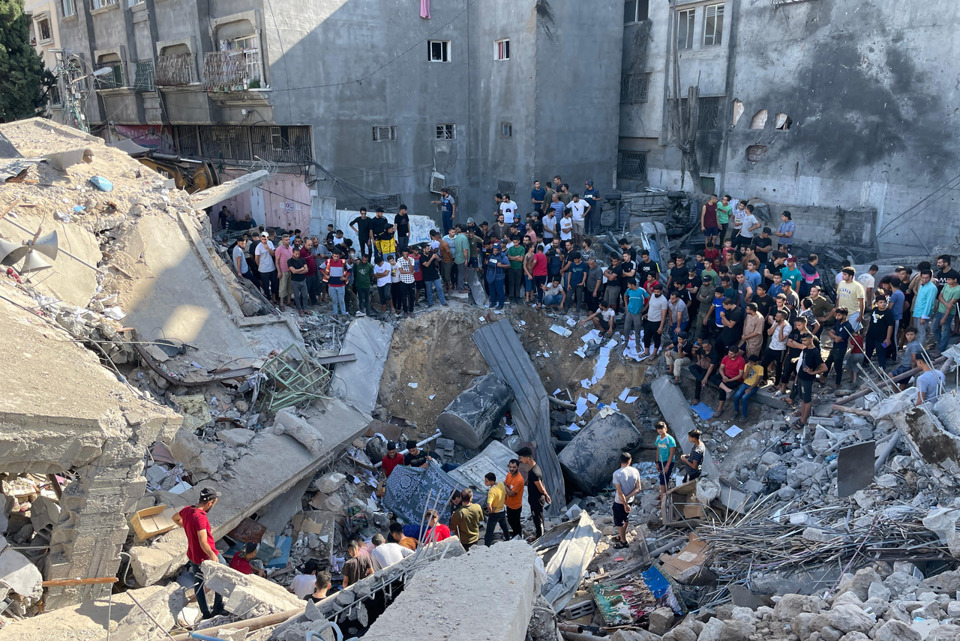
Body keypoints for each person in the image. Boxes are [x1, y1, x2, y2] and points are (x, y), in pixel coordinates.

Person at [172, 488, 223, 619]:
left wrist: (187, 527)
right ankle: (218, 608)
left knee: (198, 583)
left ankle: (205, 613)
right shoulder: (201, 518)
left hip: (193, 555)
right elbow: (203, 541)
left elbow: (175, 518)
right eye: (215, 502)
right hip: (205, 556)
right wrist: (212, 555)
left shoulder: (187, 510)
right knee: (221, 577)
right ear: (210, 503)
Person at [791, 332, 827, 428]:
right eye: (802, 340)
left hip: (807, 379)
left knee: (807, 400)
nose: (803, 342)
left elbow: (824, 368)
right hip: (801, 377)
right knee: (803, 399)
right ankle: (802, 417)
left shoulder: (815, 352)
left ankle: (803, 420)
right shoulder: (806, 350)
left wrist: (812, 373)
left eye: (805, 340)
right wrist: (797, 376)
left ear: (811, 340)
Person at [517, 446, 551, 539]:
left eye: (522, 458)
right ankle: (539, 535)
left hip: (536, 499)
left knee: (538, 518)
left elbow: (540, 487)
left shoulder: (534, 472)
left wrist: (546, 495)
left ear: (527, 458)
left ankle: (541, 537)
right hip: (535, 498)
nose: (521, 460)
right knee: (538, 517)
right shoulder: (536, 467)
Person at [612, 452, 641, 549]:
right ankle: (622, 536)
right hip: (630, 500)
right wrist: (628, 498)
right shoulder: (635, 471)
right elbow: (638, 488)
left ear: (620, 460)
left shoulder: (617, 474)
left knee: (619, 521)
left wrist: (624, 503)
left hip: (620, 501)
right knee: (626, 518)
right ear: (630, 460)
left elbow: (620, 492)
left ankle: (623, 541)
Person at [824, 308, 855, 389]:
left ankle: (837, 384)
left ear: (844, 316)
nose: (837, 317)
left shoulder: (847, 326)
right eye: (836, 315)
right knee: (828, 362)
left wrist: (834, 337)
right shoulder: (838, 322)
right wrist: (835, 337)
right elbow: (830, 332)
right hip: (834, 347)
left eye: (839, 315)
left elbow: (838, 339)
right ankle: (823, 378)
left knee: (838, 366)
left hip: (841, 349)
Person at [933, 270, 960, 354]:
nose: (947, 281)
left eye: (949, 279)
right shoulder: (947, 286)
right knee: (934, 328)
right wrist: (946, 304)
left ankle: (941, 349)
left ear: (955, 280)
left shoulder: (958, 290)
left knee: (945, 330)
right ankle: (941, 344)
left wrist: (945, 317)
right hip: (940, 310)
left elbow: (951, 305)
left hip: (948, 313)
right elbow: (940, 296)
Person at [716, 345, 746, 415]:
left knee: (721, 389)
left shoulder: (741, 361)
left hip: (735, 379)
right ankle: (727, 390)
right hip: (725, 376)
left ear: (736, 353)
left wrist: (729, 380)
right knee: (713, 377)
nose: (729, 355)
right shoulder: (726, 358)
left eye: (732, 354)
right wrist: (723, 376)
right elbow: (721, 368)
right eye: (729, 353)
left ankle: (719, 409)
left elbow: (740, 375)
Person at [483, 473, 510, 547]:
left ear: (492, 482)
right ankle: (508, 539)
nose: (485, 483)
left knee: (489, 531)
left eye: (487, 481)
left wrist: (490, 511)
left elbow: (489, 504)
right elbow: (505, 495)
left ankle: (486, 545)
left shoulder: (491, 491)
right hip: (502, 510)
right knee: (504, 527)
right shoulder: (501, 484)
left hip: (495, 513)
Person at [644, 284, 670, 357]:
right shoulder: (652, 295)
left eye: (658, 292)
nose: (656, 293)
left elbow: (664, 315)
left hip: (657, 322)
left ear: (661, 291)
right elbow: (651, 307)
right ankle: (646, 352)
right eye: (655, 292)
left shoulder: (663, 300)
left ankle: (654, 353)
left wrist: (661, 327)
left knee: (656, 338)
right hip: (649, 320)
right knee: (646, 336)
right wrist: (647, 314)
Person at [653, 422, 676, 505]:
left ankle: (663, 500)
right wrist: (657, 462)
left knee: (663, 479)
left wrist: (667, 466)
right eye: (658, 429)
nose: (660, 430)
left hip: (668, 461)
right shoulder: (658, 438)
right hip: (660, 460)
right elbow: (658, 450)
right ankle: (664, 494)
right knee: (663, 478)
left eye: (661, 428)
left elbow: (672, 453)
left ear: (665, 429)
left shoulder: (670, 439)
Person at [503, 459, 525, 540]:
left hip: (515, 506)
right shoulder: (509, 474)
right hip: (509, 504)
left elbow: (511, 494)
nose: (511, 469)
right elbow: (505, 484)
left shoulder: (519, 480)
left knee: (516, 523)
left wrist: (506, 487)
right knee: (510, 521)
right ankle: (515, 534)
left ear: (518, 467)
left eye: (514, 467)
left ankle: (518, 537)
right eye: (510, 467)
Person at [255, 231, 279, 303]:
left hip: (271, 268)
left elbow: (273, 254)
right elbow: (256, 258)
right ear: (260, 238)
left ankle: (274, 298)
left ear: (268, 238)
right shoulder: (258, 247)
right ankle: (269, 299)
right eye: (262, 238)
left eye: (265, 238)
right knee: (266, 285)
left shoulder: (270, 243)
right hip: (263, 270)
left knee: (274, 283)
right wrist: (260, 266)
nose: (264, 240)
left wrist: (268, 248)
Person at [485, 242, 509, 310]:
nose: (495, 252)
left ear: (499, 250)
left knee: (499, 290)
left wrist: (501, 265)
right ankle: (493, 302)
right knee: (491, 289)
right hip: (491, 276)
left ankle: (501, 304)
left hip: (499, 276)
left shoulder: (503, 257)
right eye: (494, 250)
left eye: (496, 250)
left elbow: (508, 265)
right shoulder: (491, 256)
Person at [287, 248, 310, 316]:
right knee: (296, 296)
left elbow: (306, 270)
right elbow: (293, 271)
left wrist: (298, 271)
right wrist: (301, 269)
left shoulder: (302, 259)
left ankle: (305, 308)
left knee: (305, 295)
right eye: (296, 254)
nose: (297, 255)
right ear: (293, 253)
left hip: (303, 280)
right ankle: (299, 309)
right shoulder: (290, 261)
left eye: (298, 254)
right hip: (295, 281)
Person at [327, 251, 347, 316]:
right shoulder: (328, 262)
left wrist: (345, 277)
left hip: (341, 285)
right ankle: (335, 313)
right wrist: (326, 275)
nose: (336, 258)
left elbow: (350, 270)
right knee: (334, 300)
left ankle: (343, 313)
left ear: (339, 256)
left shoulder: (343, 262)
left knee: (341, 300)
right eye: (335, 256)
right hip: (332, 285)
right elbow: (320, 268)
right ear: (332, 256)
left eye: (337, 257)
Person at [453, 226, 470, 293]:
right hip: (462, 259)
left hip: (457, 257)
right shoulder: (464, 238)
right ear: (466, 231)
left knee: (460, 273)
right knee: (461, 274)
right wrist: (466, 259)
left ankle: (460, 286)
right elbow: (465, 250)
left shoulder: (457, 237)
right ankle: (460, 289)